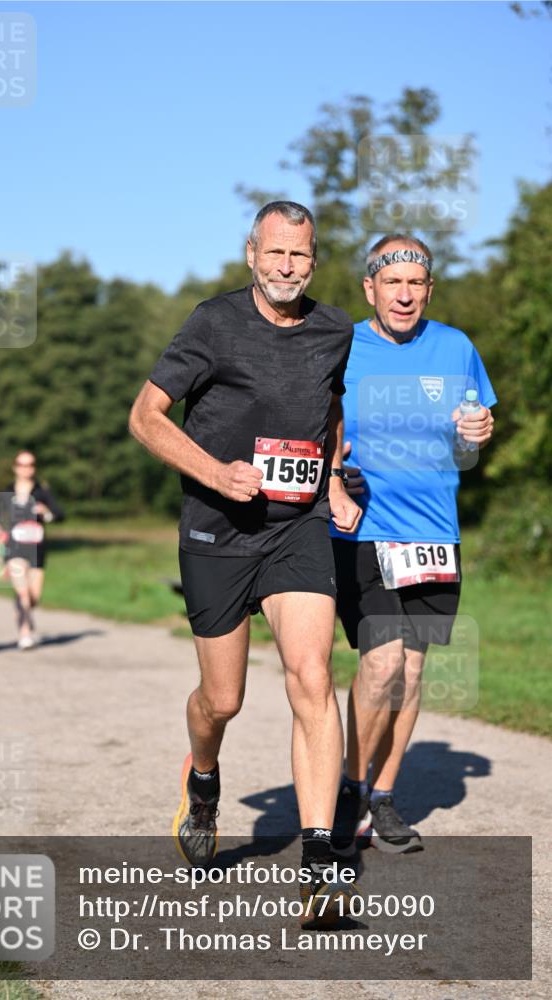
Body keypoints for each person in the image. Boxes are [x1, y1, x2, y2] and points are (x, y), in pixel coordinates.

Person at [129, 201, 362, 926]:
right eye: (275, 254)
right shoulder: (213, 322)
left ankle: (321, 860)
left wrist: (328, 481)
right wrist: (215, 473)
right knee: (221, 700)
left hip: (298, 528)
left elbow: (328, 412)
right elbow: (144, 416)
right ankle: (203, 781)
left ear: (313, 260)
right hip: (219, 527)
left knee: (312, 675)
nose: (287, 268)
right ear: (251, 255)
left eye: (300, 256)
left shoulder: (334, 330)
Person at [331, 235, 496, 854]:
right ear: (370, 288)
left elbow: (469, 444)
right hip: (365, 527)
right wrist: (328, 478)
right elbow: (318, 425)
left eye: (416, 284)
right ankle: (348, 790)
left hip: (434, 533)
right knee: (382, 662)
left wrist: (476, 434)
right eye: (392, 283)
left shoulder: (456, 348)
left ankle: (383, 798)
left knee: (414, 669)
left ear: (429, 289)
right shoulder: (341, 346)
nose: (405, 294)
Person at [0, 451, 64, 650]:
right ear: (15, 467)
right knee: (23, 593)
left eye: (30, 464)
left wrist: (46, 513)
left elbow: (60, 514)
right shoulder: (7, 492)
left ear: (34, 467)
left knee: (33, 597)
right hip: (14, 549)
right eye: (22, 464)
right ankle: (25, 635)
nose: (26, 468)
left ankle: (24, 611)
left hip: (37, 549)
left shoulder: (42, 491)